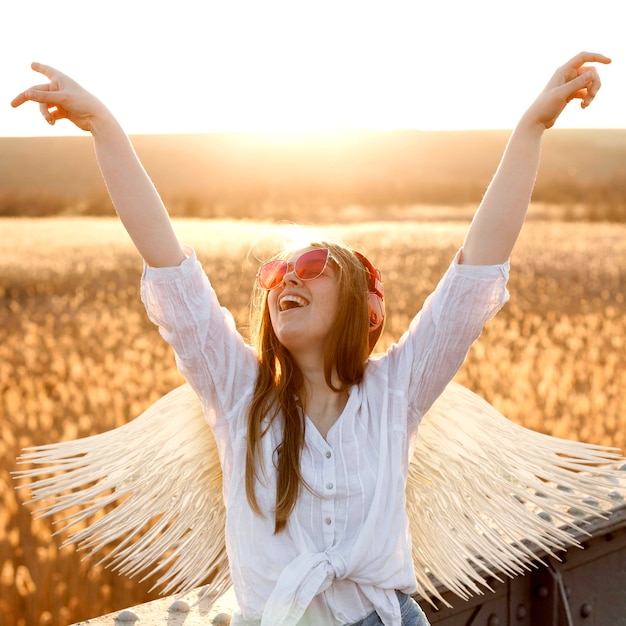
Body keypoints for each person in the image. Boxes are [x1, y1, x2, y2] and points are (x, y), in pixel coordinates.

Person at [11, 52, 612, 626]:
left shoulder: (396, 391)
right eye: (274, 274)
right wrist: (103, 126)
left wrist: (532, 126)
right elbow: (167, 263)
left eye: (313, 266)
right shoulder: (237, 392)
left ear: (358, 305)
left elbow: (478, 269)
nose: (285, 280)